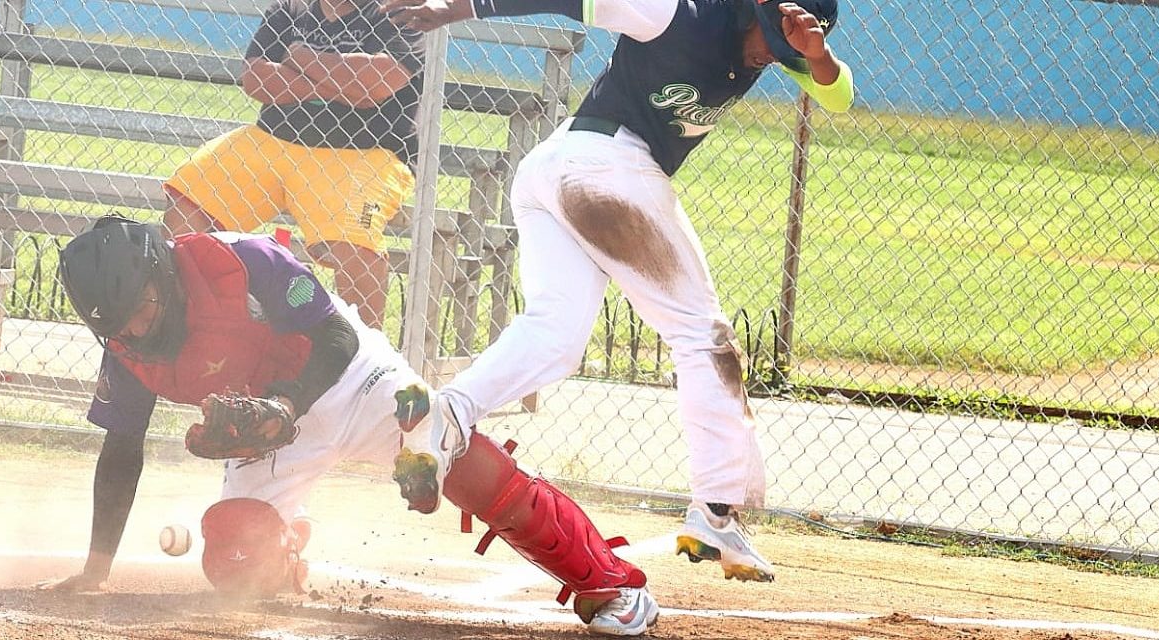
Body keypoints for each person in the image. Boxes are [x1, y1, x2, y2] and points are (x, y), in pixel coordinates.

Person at [379, 0, 854, 585]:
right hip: (604, 166)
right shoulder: (675, 14)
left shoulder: (770, 40)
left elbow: (838, 95)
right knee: (704, 337)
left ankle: (443, 417)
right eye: (768, 42)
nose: (768, 56)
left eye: (783, 55)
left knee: (556, 336)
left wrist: (815, 54)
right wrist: (455, 9)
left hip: (560, 172)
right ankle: (717, 509)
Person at [44, 216, 659, 637]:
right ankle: (285, 554)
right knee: (233, 556)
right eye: (118, 327)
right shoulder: (127, 344)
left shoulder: (241, 260)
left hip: (350, 382)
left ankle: (610, 585)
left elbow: (334, 337)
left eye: (142, 311)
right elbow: (121, 446)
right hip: (273, 431)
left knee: (467, 470)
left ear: (161, 273)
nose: (135, 332)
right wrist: (97, 565)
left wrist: (286, 405)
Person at [163, 0, 421, 330]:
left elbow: (376, 84)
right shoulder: (290, 8)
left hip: (365, 152)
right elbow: (256, 80)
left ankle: (363, 357)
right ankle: (201, 329)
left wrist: (301, 57)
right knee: (189, 194)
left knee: (355, 241)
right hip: (273, 140)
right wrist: (341, 85)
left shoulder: (399, 10)